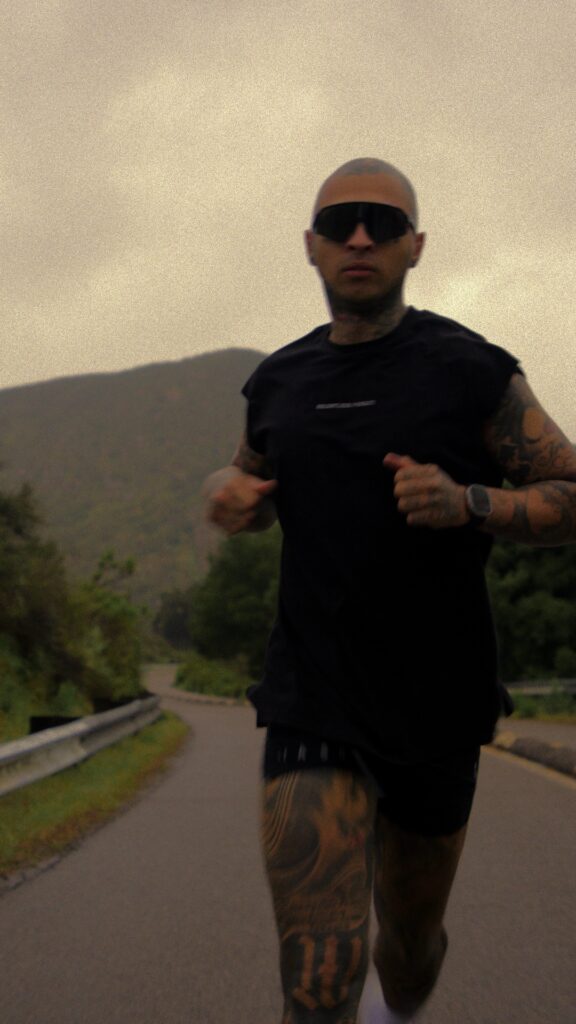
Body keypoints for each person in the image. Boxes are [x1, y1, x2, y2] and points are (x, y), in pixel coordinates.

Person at [203, 157, 576, 1024]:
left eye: (383, 222)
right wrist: (230, 496)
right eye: (341, 225)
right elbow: (251, 479)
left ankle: (400, 990)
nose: (361, 238)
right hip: (313, 698)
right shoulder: (279, 383)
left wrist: (468, 502)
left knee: (408, 952)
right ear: (312, 246)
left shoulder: (471, 369)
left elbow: (569, 491)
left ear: (416, 245)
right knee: (320, 975)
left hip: (437, 706)